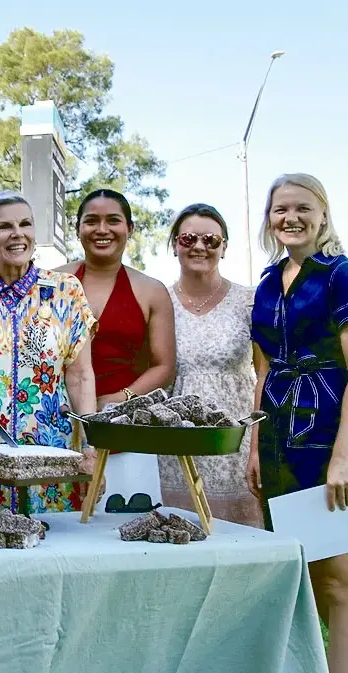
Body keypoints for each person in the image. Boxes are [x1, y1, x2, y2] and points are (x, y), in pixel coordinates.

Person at [0, 191, 98, 514]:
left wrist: (91, 448)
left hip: (52, 452)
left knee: (55, 553)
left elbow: (81, 376)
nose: (17, 233)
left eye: (25, 224)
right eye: (5, 227)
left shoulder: (66, 291)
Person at [248, 173, 348, 670]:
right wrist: (253, 446)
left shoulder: (339, 274)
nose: (290, 217)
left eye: (303, 208)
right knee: (301, 571)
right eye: (280, 209)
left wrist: (342, 458)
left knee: (337, 579)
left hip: (327, 433)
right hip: (277, 438)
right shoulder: (266, 281)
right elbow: (263, 367)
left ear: (323, 215)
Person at [56, 189, 175, 504]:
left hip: (124, 426)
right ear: (78, 228)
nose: (102, 229)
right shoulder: (52, 281)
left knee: (125, 525)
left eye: (113, 221)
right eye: (91, 221)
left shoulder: (151, 291)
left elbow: (164, 366)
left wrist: (117, 400)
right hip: (59, 425)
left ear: (130, 229)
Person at [157, 204, 262, 527]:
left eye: (211, 240)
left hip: (235, 445)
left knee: (242, 546)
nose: (199, 247)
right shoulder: (158, 301)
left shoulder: (250, 300)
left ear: (224, 248)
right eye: (188, 239)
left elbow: (264, 376)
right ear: (175, 245)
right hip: (176, 448)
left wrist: (257, 448)